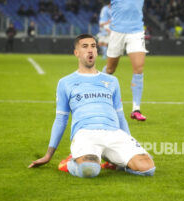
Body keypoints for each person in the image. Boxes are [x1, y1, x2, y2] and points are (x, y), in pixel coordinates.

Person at [28, 34, 155, 178]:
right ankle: (70, 162)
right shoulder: (65, 82)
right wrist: (48, 155)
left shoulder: (112, 81)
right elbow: (61, 120)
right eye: (85, 46)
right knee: (90, 170)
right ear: (76, 53)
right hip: (85, 134)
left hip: (114, 133)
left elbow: (120, 116)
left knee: (147, 169)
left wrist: (128, 143)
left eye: (93, 46)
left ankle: (115, 161)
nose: (90, 50)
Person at [102, 0, 148, 121]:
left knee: (138, 68)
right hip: (117, 31)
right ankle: (100, 94)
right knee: (110, 69)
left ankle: (136, 109)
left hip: (136, 31)